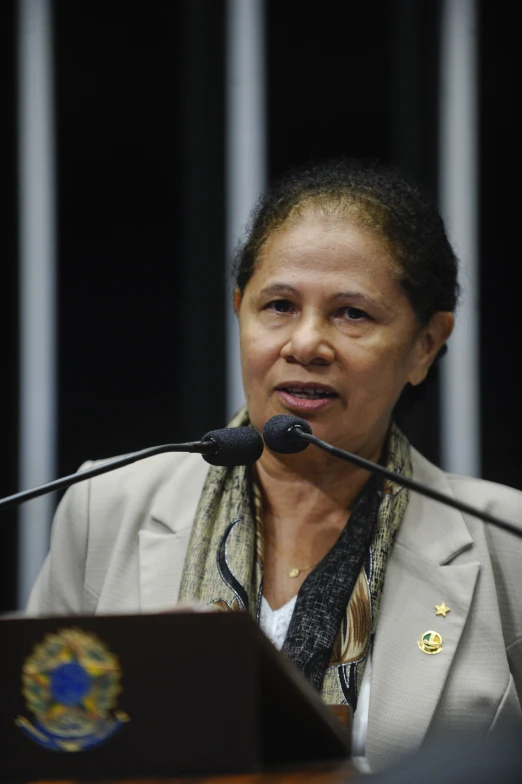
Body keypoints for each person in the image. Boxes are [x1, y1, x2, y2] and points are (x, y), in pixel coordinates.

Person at [27, 158, 522, 773]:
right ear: (239, 311)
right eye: (280, 305)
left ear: (426, 344)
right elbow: (41, 751)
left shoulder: (503, 537)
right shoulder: (108, 505)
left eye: (352, 314)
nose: (306, 343)